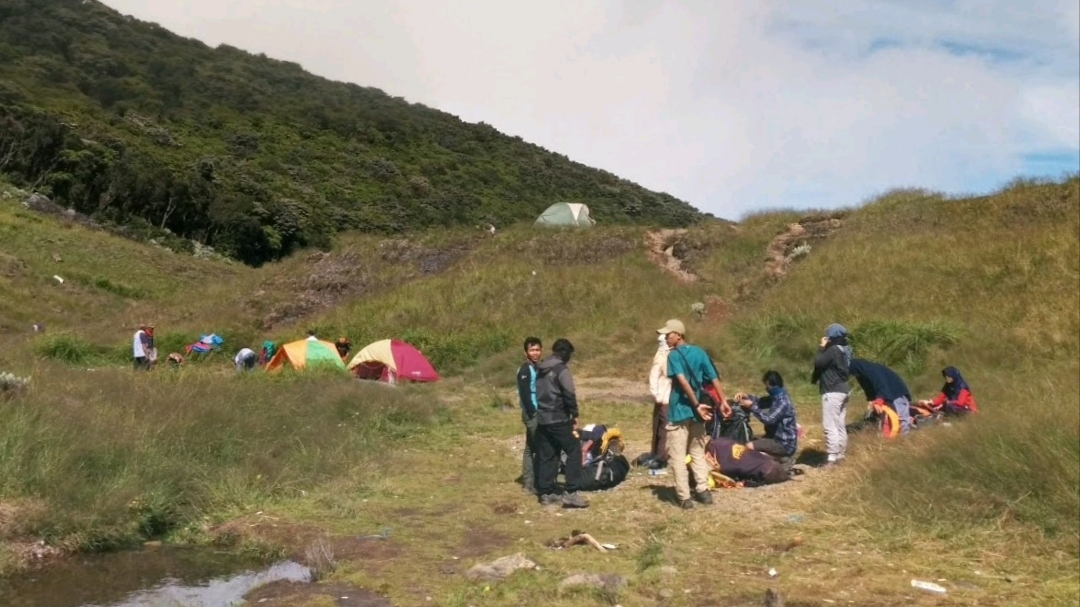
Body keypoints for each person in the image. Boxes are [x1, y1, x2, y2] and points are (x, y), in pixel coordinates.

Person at [661, 319, 732, 509]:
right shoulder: (700, 352)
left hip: (679, 411)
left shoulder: (673, 356)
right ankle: (703, 490)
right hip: (698, 413)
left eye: (669, 334)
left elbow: (682, 382)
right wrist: (723, 400)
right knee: (697, 452)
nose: (666, 337)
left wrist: (696, 404)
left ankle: (684, 497)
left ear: (678, 335)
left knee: (677, 455)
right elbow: (714, 377)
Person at [534, 338, 589, 508]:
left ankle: (545, 492)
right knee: (574, 450)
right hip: (558, 418)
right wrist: (574, 414)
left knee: (548, 454)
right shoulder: (561, 369)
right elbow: (569, 393)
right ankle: (571, 492)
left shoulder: (540, 368)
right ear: (564, 353)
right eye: (569, 355)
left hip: (542, 418)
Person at [735, 370, 798, 468]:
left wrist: (751, 407)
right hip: (775, 439)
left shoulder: (783, 402)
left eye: (767, 386)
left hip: (784, 443)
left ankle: (782, 460)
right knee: (752, 442)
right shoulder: (776, 397)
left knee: (749, 447)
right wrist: (746, 396)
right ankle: (779, 458)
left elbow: (769, 419)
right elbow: (760, 401)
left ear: (773, 385)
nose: (766, 389)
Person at [811, 323, 851, 466]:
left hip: (832, 391)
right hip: (844, 390)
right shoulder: (844, 350)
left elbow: (818, 362)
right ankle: (840, 455)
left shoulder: (833, 350)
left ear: (831, 337)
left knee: (830, 425)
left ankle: (832, 458)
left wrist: (821, 347)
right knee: (840, 424)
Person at [848, 358, 913, 435]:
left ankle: (904, 440)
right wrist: (872, 400)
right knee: (886, 423)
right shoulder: (862, 373)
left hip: (896, 395)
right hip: (888, 396)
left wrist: (878, 401)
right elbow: (869, 389)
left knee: (900, 422)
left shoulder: (871, 370)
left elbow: (882, 385)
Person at [516, 337, 543, 494]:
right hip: (532, 413)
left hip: (538, 411)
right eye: (532, 350)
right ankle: (537, 482)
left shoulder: (537, 367)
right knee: (540, 447)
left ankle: (529, 482)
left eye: (537, 349)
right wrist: (533, 412)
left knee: (529, 447)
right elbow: (525, 394)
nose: (535, 353)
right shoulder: (525, 369)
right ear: (526, 352)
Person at [705, 437, 790, 486]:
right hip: (773, 464)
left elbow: (729, 479)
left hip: (766, 474)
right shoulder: (722, 441)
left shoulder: (725, 466)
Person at [646, 332, 672, 469]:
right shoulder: (661, 357)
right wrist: (657, 395)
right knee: (663, 428)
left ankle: (658, 454)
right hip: (663, 397)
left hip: (667, 397)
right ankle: (659, 457)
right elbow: (654, 377)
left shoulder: (668, 356)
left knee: (661, 427)